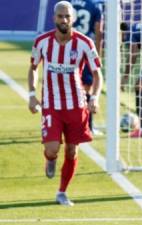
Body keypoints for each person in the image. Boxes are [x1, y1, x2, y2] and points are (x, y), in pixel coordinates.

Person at [28, 1, 103, 206]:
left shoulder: (85, 43)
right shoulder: (42, 42)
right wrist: (32, 94)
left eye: (67, 16)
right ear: (54, 18)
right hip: (52, 105)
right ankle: (50, 159)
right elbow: (33, 67)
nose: (64, 20)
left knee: (72, 151)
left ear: (73, 18)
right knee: (52, 149)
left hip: (77, 106)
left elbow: (97, 74)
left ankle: (62, 192)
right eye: (60, 16)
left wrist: (94, 97)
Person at [70, 0, 104, 136]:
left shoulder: (68, 3)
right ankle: (87, 126)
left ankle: (69, 124)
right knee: (87, 89)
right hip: (85, 49)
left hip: (67, 47)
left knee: (68, 87)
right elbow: (98, 31)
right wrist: (98, 54)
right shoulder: (94, 6)